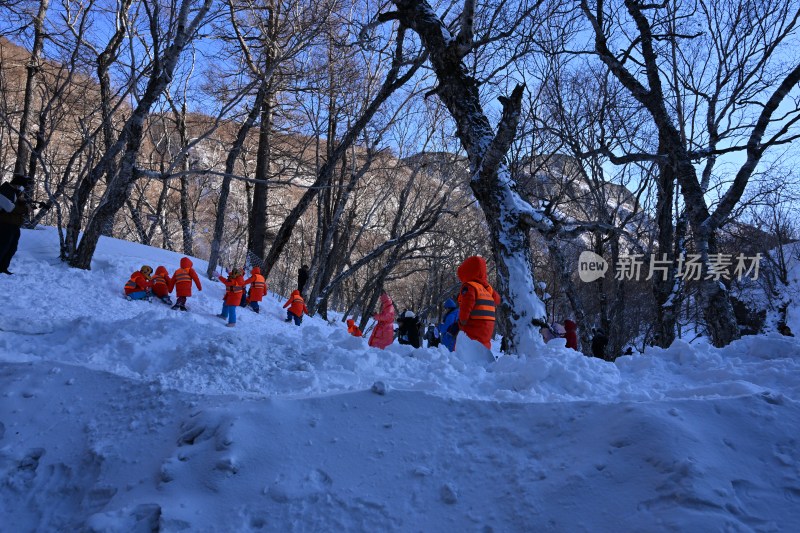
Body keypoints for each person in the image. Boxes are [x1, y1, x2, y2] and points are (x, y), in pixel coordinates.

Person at [456, 255, 500, 350]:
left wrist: (462, 321)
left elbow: (467, 304)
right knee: (483, 344)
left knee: (467, 346)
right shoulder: (487, 288)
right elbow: (497, 300)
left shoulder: (469, 286)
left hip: (474, 324)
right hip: (488, 325)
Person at [0, 176, 31, 275]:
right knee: (2, 247)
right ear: (18, 184)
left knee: (11, 248)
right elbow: (9, 208)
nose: (22, 189)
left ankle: (3, 268)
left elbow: (14, 205)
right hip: (5, 224)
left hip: (14, 225)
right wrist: (26, 209)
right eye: (22, 186)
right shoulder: (4, 191)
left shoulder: (14, 192)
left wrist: (22, 203)